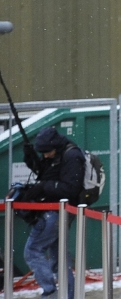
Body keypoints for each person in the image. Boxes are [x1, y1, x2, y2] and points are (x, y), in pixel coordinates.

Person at [22, 127, 85, 299]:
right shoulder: (59, 154)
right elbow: (45, 173)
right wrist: (30, 158)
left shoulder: (72, 156)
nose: (45, 156)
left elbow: (71, 188)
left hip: (58, 212)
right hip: (57, 211)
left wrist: (43, 187)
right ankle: (68, 295)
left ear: (55, 147)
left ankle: (50, 292)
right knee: (60, 259)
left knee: (33, 250)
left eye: (47, 152)